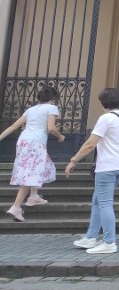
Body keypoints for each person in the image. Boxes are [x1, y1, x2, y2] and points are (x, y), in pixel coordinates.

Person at [65, 88, 119, 254]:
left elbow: (90, 144)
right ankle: (91, 237)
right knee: (98, 199)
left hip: (107, 166)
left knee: (104, 203)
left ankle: (109, 242)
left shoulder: (106, 119)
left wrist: (74, 160)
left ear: (103, 103)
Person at [2, 86, 65, 222]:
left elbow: (14, 126)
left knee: (43, 167)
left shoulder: (31, 110)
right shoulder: (52, 108)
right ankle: (16, 207)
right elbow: (51, 128)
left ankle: (34, 195)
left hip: (23, 142)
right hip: (36, 143)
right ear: (53, 98)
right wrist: (60, 136)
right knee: (30, 174)